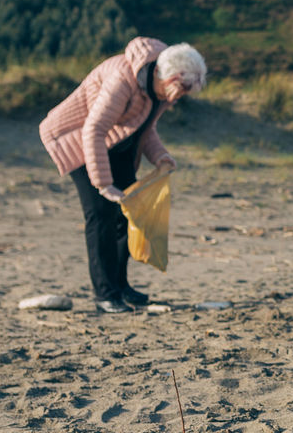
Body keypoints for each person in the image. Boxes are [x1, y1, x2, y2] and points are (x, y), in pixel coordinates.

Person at [40, 38, 206, 313]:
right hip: (77, 139)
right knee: (101, 214)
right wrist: (103, 184)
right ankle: (105, 294)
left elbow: (144, 128)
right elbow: (93, 130)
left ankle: (120, 285)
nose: (179, 97)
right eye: (182, 88)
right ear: (169, 76)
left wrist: (161, 156)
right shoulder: (122, 79)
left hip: (115, 143)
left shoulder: (160, 89)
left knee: (128, 213)